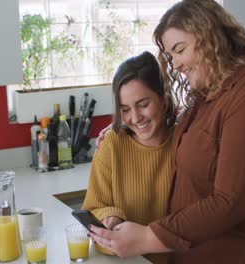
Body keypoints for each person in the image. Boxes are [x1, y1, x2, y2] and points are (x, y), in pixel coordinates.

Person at [88, 1, 245, 263]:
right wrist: (126, 125)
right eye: (171, 56)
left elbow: (230, 201)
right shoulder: (211, 89)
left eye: (180, 50)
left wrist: (148, 237)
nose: (176, 64)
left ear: (210, 37)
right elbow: (195, 136)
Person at [81, 51, 176, 263]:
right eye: (125, 109)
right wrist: (110, 216)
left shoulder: (185, 141)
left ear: (163, 97)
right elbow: (93, 209)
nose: (135, 117)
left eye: (143, 104)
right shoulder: (112, 144)